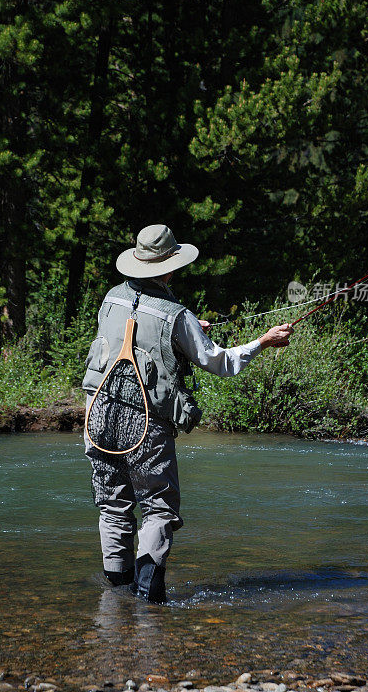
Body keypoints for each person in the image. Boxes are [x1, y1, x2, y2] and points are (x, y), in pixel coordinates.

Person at [82, 224, 294, 603]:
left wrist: (187, 331)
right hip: (144, 423)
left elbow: (127, 337)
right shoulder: (177, 315)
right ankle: (149, 602)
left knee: (113, 503)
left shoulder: (111, 298)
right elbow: (220, 362)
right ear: (168, 266)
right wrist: (263, 342)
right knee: (158, 507)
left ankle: (116, 597)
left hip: (97, 416)